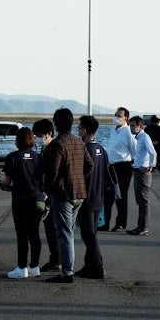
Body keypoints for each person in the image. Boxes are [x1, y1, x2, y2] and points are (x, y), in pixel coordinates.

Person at [40, 108, 93, 284]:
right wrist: (78, 178)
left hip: (64, 195)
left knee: (65, 234)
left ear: (56, 124)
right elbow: (90, 165)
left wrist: (49, 189)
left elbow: (53, 173)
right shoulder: (79, 142)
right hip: (79, 193)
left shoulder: (57, 144)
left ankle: (67, 272)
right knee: (68, 231)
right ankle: (67, 269)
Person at [1, 127, 45, 279]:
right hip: (37, 199)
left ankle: (22, 267)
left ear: (17, 141)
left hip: (20, 200)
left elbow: (6, 181)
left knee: (22, 234)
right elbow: (43, 179)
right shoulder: (39, 157)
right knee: (35, 233)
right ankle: (35, 266)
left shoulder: (13, 157)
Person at [76, 115, 110, 278]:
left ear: (85, 130)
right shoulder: (101, 149)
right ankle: (89, 265)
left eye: (79, 127)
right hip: (98, 197)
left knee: (88, 234)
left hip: (87, 198)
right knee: (92, 232)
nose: (78, 130)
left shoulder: (85, 150)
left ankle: (98, 266)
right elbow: (107, 173)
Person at [31, 118, 60, 273]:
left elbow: (52, 174)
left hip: (52, 195)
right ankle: (55, 259)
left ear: (49, 134)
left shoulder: (52, 149)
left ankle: (57, 260)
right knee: (50, 229)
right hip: (48, 194)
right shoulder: (45, 148)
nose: (37, 138)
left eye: (39, 135)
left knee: (53, 229)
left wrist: (46, 192)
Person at [104, 107, 137, 232]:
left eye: (119, 116)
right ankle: (104, 223)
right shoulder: (113, 129)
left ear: (125, 118)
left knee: (121, 196)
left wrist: (133, 164)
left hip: (123, 166)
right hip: (110, 166)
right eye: (115, 115)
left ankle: (121, 223)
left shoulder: (128, 132)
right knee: (107, 196)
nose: (116, 117)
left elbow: (134, 150)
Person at [127, 116, 155, 236]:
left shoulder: (144, 137)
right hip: (137, 170)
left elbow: (152, 152)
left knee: (143, 200)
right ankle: (140, 226)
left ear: (140, 126)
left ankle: (144, 227)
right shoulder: (139, 138)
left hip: (143, 173)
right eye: (130, 125)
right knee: (140, 200)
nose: (131, 128)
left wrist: (150, 166)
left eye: (133, 126)